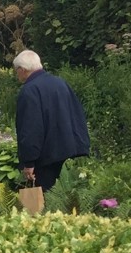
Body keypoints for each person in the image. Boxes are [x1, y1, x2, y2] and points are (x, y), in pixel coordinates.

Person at [13, 49, 90, 191]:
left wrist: (29, 162)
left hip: (45, 156)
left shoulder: (29, 90)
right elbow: (76, 112)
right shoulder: (59, 83)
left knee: (43, 198)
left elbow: (30, 129)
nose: (16, 74)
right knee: (64, 196)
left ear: (22, 70)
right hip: (67, 150)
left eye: (16, 71)